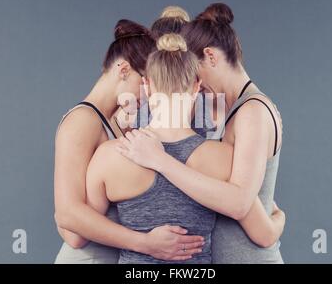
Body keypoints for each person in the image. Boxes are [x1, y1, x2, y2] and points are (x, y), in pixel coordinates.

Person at [86, 33, 285, 264]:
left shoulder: (109, 156)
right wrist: (280, 219)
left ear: (147, 85)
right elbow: (263, 233)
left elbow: (84, 228)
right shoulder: (223, 158)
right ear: (196, 86)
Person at [54, 19, 205, 263]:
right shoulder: (81, 121)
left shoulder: (113, 120)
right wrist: (146, 243)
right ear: (123, 70)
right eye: (143, 80)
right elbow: (72, 228)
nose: (146, 94)